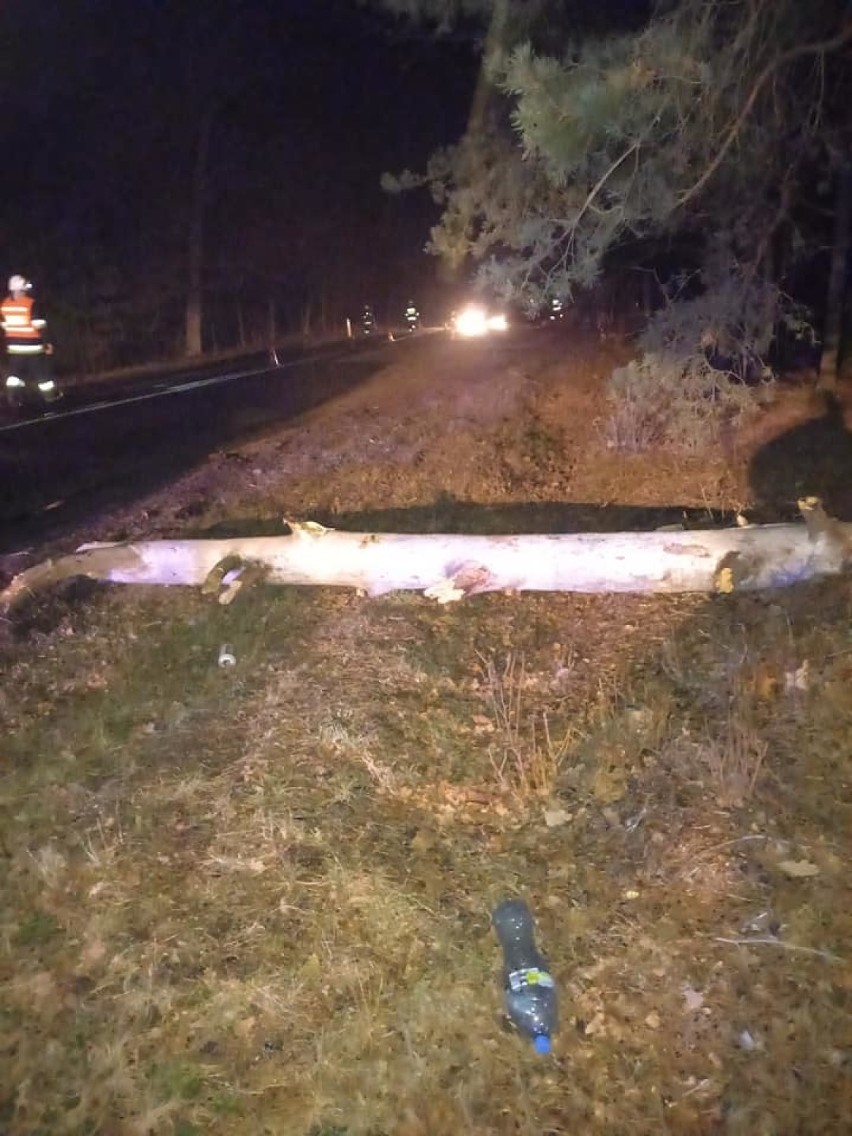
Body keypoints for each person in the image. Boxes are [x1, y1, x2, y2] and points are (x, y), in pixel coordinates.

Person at [1, 275, 60, 405]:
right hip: (33, 347)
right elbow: (39, 326)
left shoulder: (4, 305)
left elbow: (4, 326)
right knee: (42, 375)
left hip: (14, 348)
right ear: (22, 289)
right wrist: (47, 343)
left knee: (15, 375)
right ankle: (52, 398)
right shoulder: (31, 304)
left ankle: (14, 399)